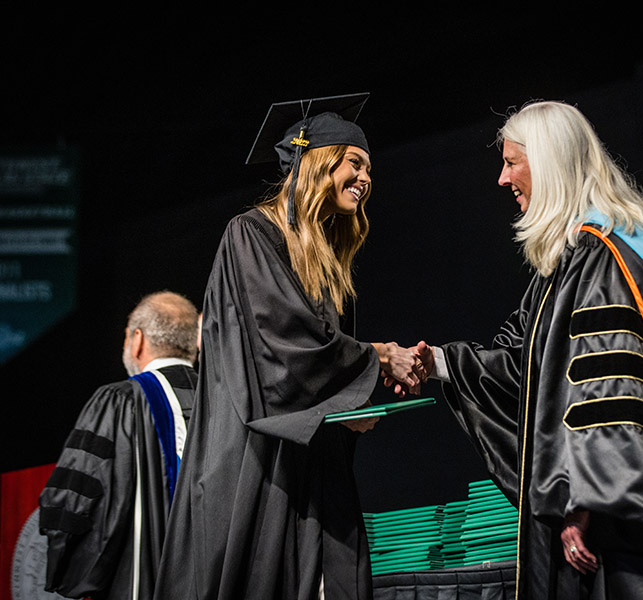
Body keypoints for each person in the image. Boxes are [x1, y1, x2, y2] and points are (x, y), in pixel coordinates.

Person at [405, 101, 643, 599]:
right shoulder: (574, 261)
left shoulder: (604, 258)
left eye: (512, 162)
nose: (501, 178)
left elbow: (614, 397)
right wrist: (439, 364)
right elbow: (530, 369)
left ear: (551, 163)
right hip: (618, 513)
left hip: (628, 521)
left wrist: (582, 502)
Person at [153, 93, 423, 600]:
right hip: (254, 462)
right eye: (355, 162)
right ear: (318, 162)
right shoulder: (250, 236)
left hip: (305, 459)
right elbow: (285, 350)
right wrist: (376, 358)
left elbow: (316, 361)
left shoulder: (319, 259)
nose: (366, 179)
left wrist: (345, 406)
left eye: (369, 167)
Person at [39, 290, 200, 600]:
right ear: (194, 343)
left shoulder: (119, 401)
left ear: (137, 339)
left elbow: (73, 502)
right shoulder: (228, 403)